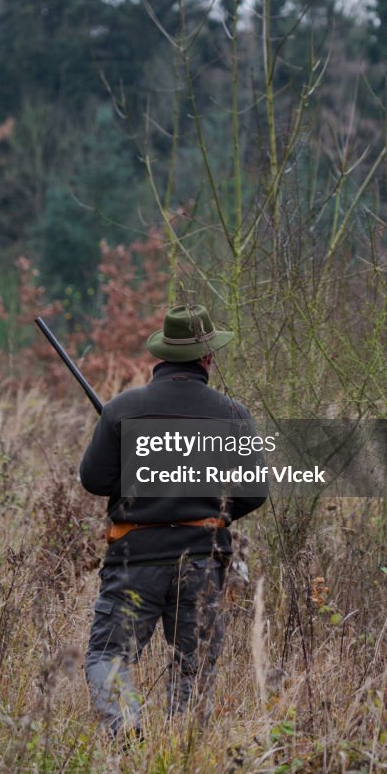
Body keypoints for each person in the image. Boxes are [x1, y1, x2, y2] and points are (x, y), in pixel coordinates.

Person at [80, 303, 266, 735]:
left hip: (135, 560)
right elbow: (254, 493)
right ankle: (182, 751)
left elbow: (93, 479)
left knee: (108, 656)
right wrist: (211, 514)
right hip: (202, 560)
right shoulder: (234, 415)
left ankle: (125, 727)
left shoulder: (122, 410)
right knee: (193, 664)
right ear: (207, 358)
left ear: (163, 355)